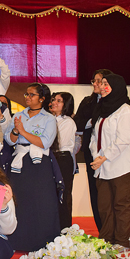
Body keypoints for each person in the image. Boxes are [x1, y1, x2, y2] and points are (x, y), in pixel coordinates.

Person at [5, 83, 60, 252]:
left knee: (40, 202)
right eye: (26, 94)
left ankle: (41, 241)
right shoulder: (18, 115)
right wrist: (15, 131)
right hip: (20, 161)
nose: (27, 97)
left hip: (39, 163)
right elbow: (9, 140)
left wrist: (22, 131)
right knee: (19, 200)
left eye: (32, 95)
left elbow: (45, 142)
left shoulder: (48, 118)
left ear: (42, 99)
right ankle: (18, 240)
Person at [89, 74, 130, 251]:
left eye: (106, 84)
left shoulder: (126, 111)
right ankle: (106, 239)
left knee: (121, 204)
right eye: (101, 83)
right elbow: (94, 138)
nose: (102, 87)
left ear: (116, 87)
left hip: (121, 165)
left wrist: (104, 157)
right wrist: (96, 156)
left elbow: (123, 140)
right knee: (104, 205)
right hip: (102, 167)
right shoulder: (102, 110)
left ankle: (122, 241)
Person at [73, 69, 113, 232]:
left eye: (99, 81)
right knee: (95, 191)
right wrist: (91, 122)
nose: (96, 84)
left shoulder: (114, 102)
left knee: (111, 192)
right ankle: (102, 229)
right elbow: (77, 124)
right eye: (94, 81)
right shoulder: (87, 102)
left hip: (110, 152)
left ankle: (118, 230)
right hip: (91, 152)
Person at [50, 92, 77, 230]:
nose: (54, 102)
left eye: (59, 101)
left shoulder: (68, 122)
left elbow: (60, 143)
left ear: (66, 104)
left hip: (62, 159)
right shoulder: (49, 119)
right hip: (51, 158)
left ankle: (65, 228)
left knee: (63, 195)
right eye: (54, 99)